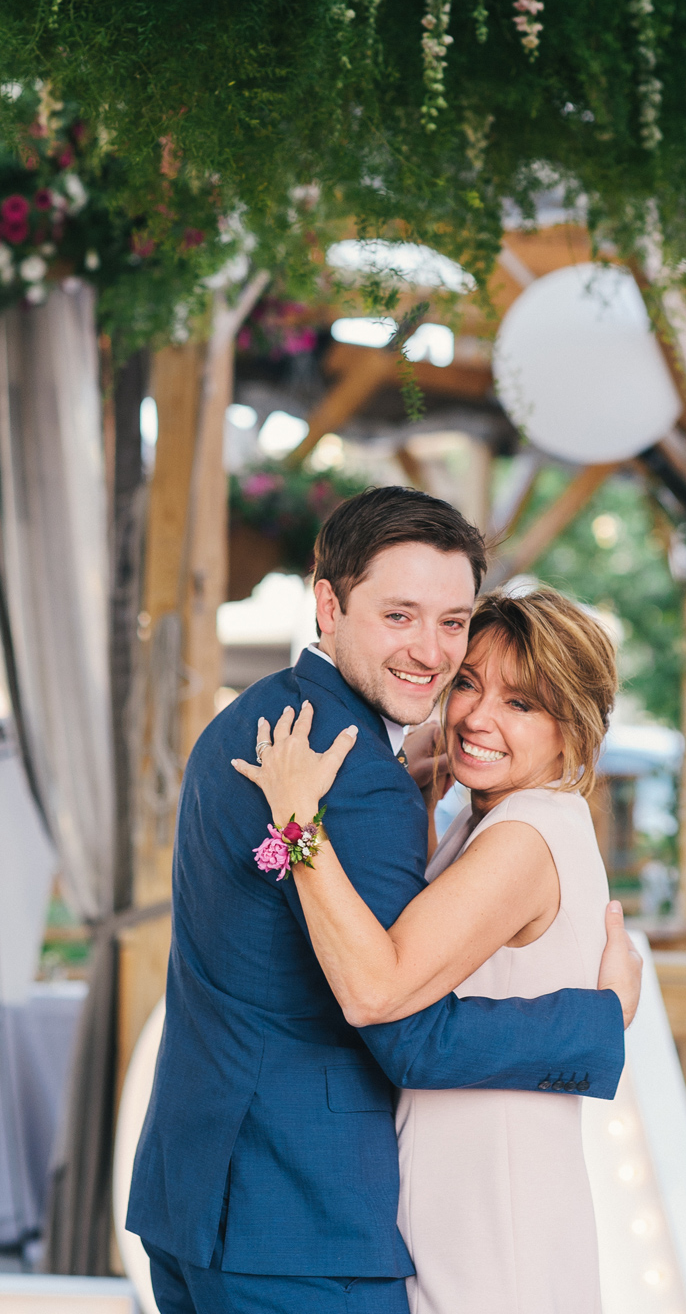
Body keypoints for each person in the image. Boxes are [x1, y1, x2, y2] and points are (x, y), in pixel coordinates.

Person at [127, 486, 641, 1314]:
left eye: (451, 623)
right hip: (297, 1219)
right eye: (400, 616)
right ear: (327, 604)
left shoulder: (266, 718)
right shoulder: (352, 772)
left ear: (573, 723)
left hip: (215, 1198)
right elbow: (395, 1016)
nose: (435, 661)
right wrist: (598, 1019)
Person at [236, 585, 631, 1314]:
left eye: (522, 704)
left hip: (493, 1222)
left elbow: (376, 987)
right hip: (458, 1199)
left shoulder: (523, 836)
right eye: (470, 684)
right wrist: (416, 788)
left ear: (571, 731)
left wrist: (297, 821)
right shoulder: (495, 820)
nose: (478, 717)